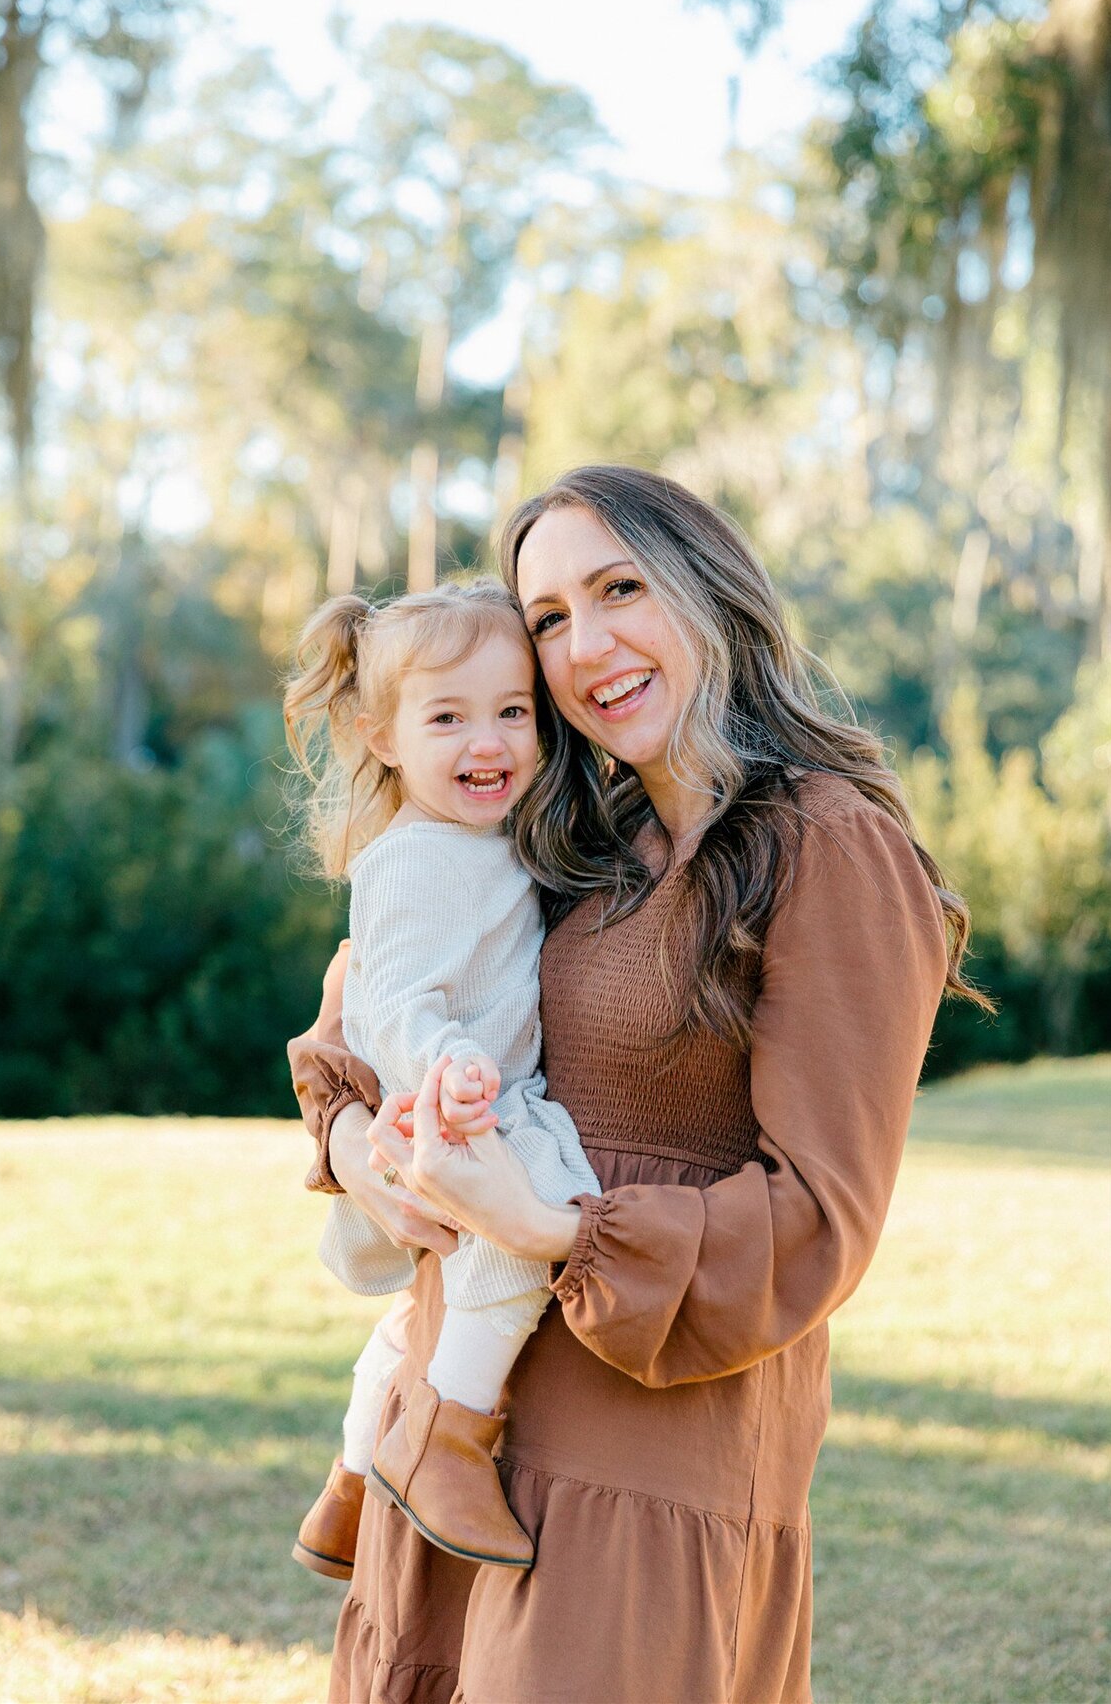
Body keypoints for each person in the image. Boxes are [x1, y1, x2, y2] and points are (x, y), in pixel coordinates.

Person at [289, 466, 989, 1704]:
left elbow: (820, 1220)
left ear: (710, 593)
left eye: (619, 589)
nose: (586, 643)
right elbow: (370, 1010)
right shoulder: (574, 843)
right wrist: (360, 1154)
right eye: (549, 617)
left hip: (648, 1458)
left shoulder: (826, 842)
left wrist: (550, 1226)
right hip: (465, 1438)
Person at [284, 579, 602, 1581]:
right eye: (450, 717)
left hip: (462, 1098)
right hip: (459, 1104)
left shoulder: (486, 842)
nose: (491, 742)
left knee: (420, 1309)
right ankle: (450, 1441)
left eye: (513, 712)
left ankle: (346, 1483)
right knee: (517, 1258)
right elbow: (394, 1000)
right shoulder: (415, 861)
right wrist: (446, 1064)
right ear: (383, 737)